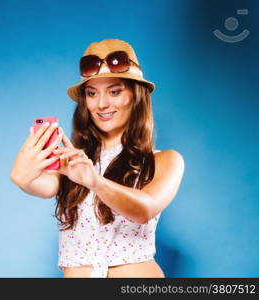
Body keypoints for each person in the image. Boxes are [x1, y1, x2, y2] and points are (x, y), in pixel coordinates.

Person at [10, 39, 185, 278]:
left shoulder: (165, 160)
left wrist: (95, 181)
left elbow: (145, 209)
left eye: (114, 91)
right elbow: (43, 186)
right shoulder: (73, 161)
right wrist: (22, 176)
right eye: (92, 93)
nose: (102, 104)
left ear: (136, 96)